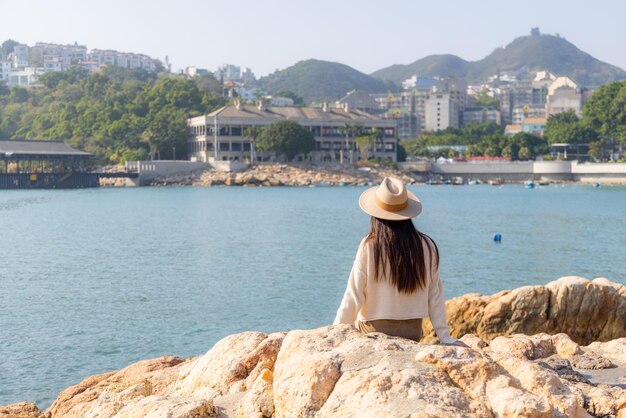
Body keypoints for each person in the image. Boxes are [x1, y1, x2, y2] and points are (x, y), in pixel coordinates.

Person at [333, 177, 466, 346]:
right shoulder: (427, 245)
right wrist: (445, 337)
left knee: (358, 321)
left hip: (374, 331)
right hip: (412, 332)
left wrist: (335, 332)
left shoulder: (369, 245)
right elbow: (435, 296)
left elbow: (353, 295)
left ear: (375, 213)